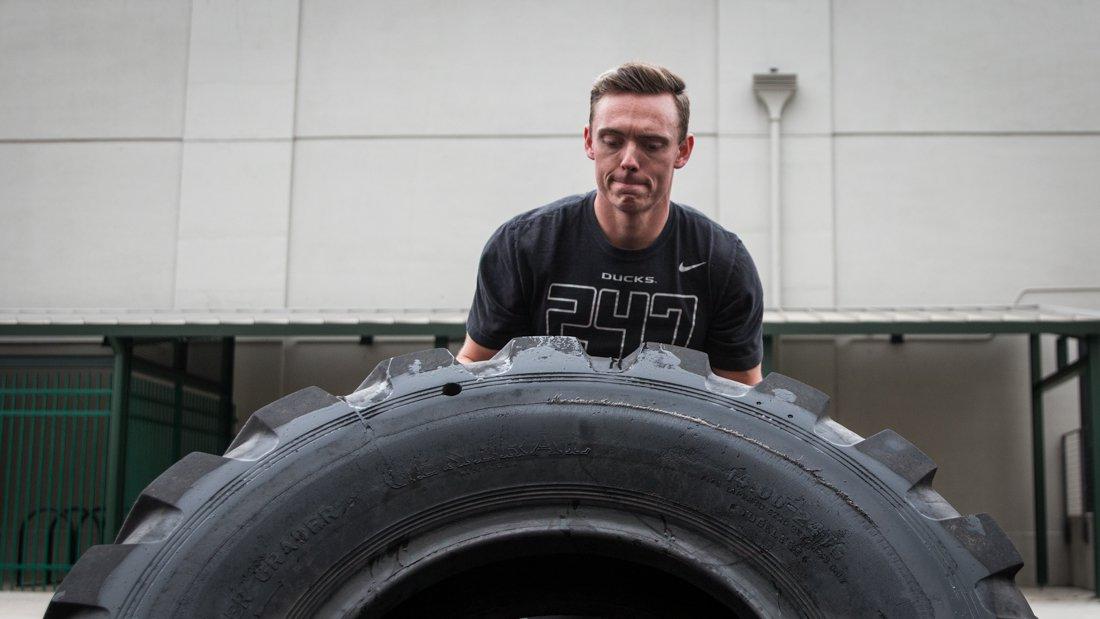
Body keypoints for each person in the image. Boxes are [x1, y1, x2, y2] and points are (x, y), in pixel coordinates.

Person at [456, 62, 764, 385]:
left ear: (682, 151)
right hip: (545, 435)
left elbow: (742, 404)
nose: (629, 160)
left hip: (669, 437)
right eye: (612, 141)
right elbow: (475, 377)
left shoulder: (723, 262)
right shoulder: (523, 247)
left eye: (652, 144)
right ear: (590, 142)